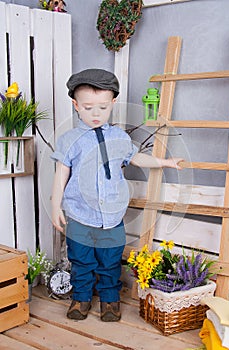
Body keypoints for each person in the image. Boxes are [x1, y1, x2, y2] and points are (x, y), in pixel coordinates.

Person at [51, 68, 183, 322]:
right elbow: (61, 174)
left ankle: (110, 301)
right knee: (81, 259)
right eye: (88, 107)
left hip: (112, 215)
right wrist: (56, 205)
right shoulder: (70, 139)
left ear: (112, 103)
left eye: (102, 107)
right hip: (80, 214)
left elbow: (134, 157)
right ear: (76, 105)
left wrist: (164, 162)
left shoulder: (119, 137)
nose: (96, 114)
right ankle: (81, 298)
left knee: (110, 261)